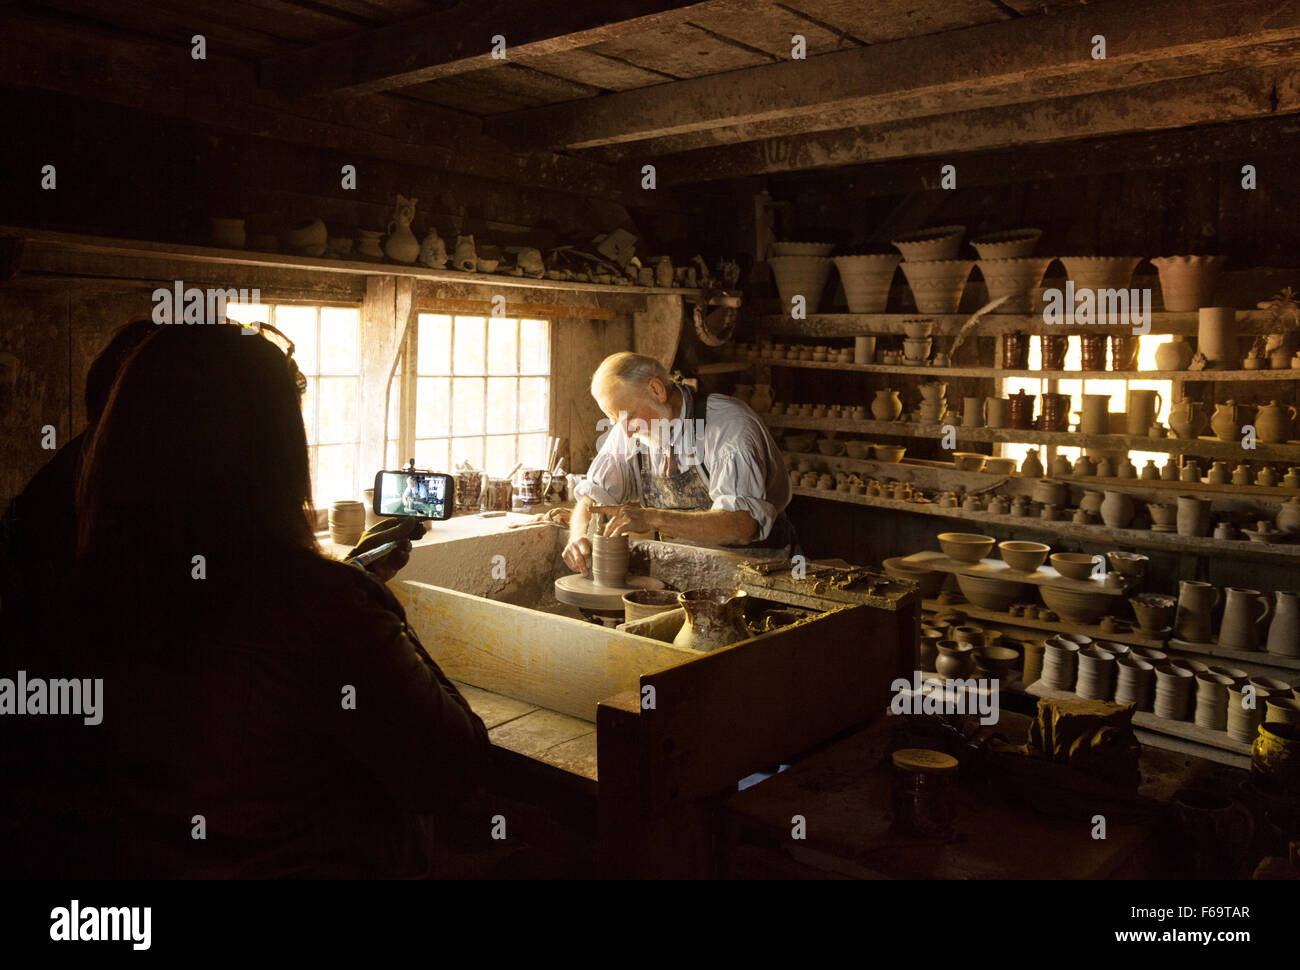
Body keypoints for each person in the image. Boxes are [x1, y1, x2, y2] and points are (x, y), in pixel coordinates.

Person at [49, 321, 488, 878]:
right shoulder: (326, 609)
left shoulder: (90, 587)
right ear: (274, 455)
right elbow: (455, 769)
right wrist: (369, 600)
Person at [563, 352, 794, 574]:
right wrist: (578, 537)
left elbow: (741, 525)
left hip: (757, 570)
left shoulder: (729, 427)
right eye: (614, 420)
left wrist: (652, 518)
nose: (625, 431)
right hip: (686, 567)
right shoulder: (629, 431)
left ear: (657, 390)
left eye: (629, 416)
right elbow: (593, 497)